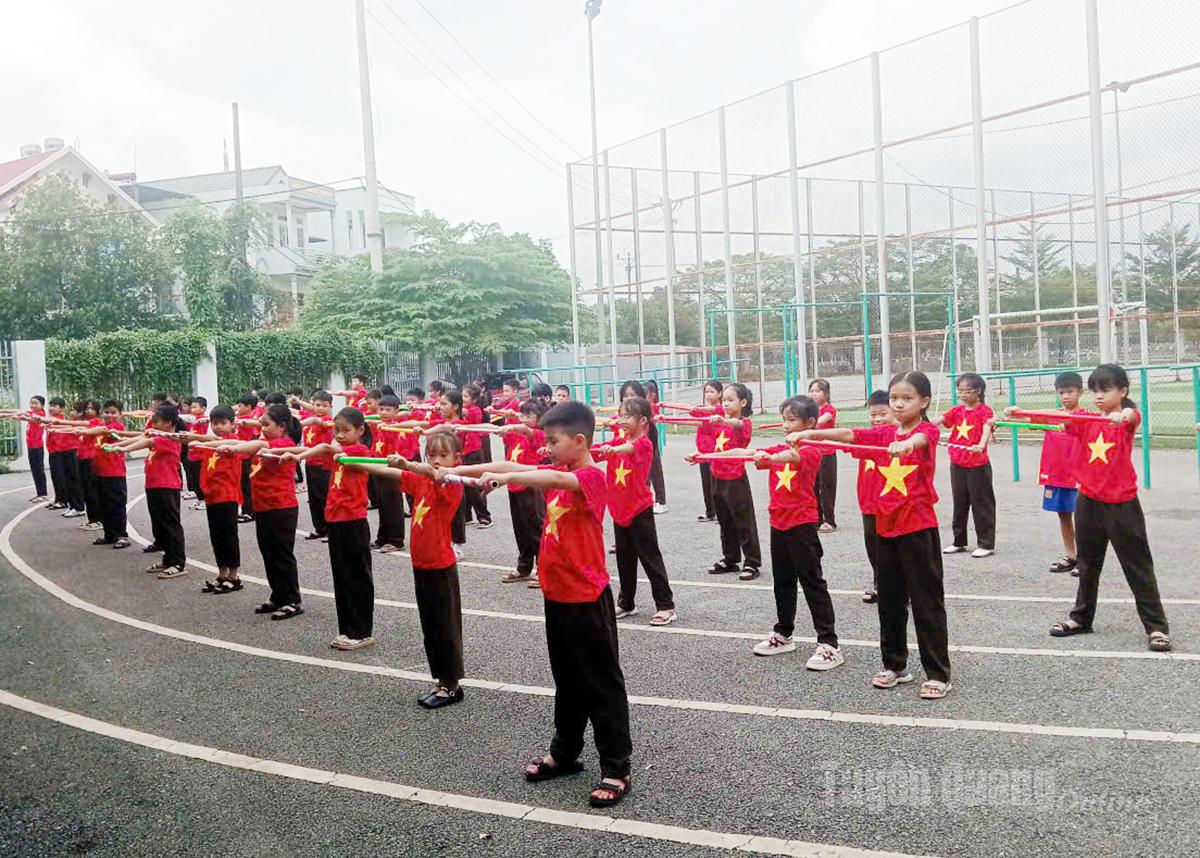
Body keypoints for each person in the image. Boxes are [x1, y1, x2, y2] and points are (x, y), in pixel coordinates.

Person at [449, 401, 633, 809]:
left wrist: (510, 477)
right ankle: (565, 753)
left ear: (579, 440)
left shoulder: (589, 477)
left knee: (601, 684)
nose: (546, 447)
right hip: (558, 595)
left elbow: (543, 475)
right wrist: (458, 472)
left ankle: (616, 767)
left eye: (553, 440)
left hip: (587, 598)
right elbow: (505, 468)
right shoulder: (561, 470)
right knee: (566, 680)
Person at [793, 371, 951, 700]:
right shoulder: (882, 434)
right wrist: (813, 433)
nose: (899, 404)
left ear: (923, 402)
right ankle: (895, 666)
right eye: (895, 398)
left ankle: (938, 672)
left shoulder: (926, 431)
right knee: (890, 600)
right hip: (885, 527)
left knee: (926, 602)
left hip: (918, 528)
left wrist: (905, 444)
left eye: (907, 398)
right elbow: (851, 433)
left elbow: (920, 441)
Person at [1007, 364, 1171, 652]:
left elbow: (1132, 416)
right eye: (1095, 390)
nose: (1098, 396)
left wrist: (1123, 414)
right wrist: (1020, 413)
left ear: (1123, 391)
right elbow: (1059, 417)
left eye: (1105, 390)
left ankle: (1156, 627)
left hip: (1122, 504)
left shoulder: (1125, 419)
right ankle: (1081, 618)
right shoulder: (1086, 419)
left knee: (1138, 566)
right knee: (1087, 565)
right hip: (1089, 502)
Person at [348, 433, 467, 708]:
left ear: (456, 460)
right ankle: (440, 680)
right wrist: (356, 463)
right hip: (421, 565)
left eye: (443, 456)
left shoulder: (451, 483)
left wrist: (409, 464)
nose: (436, 461)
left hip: (440, 566)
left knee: (445, 626)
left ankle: (452, 685)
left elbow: (429, 473)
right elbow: (388, 471)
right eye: (431, 455)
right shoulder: (422, 481)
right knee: (430, 627)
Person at [724, 395, 842, 669]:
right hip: (779, 523)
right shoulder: (782, 445)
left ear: (810, 422)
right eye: (784, 419)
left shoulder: (812, 448)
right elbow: (743, 453)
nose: (786, 425)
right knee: (783, 581)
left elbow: (791, 456)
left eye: (792, 420)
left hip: (801, 524)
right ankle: (784, 633)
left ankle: (829, 643)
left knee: (812, 582)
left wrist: (770, 458)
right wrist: (708, 456)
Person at [199, 403, 303, 620]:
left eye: (267, 424)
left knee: (282, 555)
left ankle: (292, 600)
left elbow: (249, 445)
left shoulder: (284, 444)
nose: (262, 428)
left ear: (282, 426)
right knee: (268, 553)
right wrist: (214, 443)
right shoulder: (265, 442)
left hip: (281, 508)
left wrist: (233, 449)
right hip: (263, 507)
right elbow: (241, 442)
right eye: (261, 424)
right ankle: (278, 596)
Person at [287, 407, 375, 649]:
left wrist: (302, 457)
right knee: (342, 576)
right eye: (337, 431)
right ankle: (347, 629)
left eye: (346, 430)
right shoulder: (339, 451)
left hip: (353, 521)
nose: (340, 435)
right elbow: (320, 449)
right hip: (335, 521)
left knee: (357, 576)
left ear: (360, 430)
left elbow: (332, 451)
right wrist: (294, 455)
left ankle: (362, 630)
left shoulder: (360, 451)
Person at [594, 396, 676, 625]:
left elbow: (626, 449)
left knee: (650, 557)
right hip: (618, 509)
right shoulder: (619, 438)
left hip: (639, 510)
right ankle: (626, 602)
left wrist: (612, 448)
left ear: (643, 421)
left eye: (627, 416)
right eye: (620, 415)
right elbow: (601, 450)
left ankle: (666, 605)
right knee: (624, 558)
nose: (621, 420)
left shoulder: (643, 443)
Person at [687, 383, 760, 581]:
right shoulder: (718, 422)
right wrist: (700, 457)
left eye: (730, 400)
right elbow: (703, 429)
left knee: (744, 522)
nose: (726, 404)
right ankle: (731, 558)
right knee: (725, 521)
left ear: (743, 402)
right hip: (717, 477)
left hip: (735, 479)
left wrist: (724, 420)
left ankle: (752, 562)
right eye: (724, 400)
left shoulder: (744, 423)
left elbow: (736, 425)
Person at [108, 404, 189, 579]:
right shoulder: (158, 434)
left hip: (167, 486)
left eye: (156, 421)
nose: (152, 424)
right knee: (160, 525)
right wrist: (120, 444)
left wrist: (123, 449)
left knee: (171, 525)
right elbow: (141, 438)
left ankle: (178, 563)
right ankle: (168, 559)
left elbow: (145, 441)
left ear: (168, 423)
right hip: (153, 485)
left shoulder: (170, 439)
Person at [483, 399, 547, 586]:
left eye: (530, 416)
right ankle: (524, 567)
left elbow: (526, 430)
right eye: (523, 415)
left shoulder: (539, 434)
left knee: (536, 529)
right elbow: (496, 428)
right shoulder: (516, 434)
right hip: (514, 486)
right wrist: (501, 423)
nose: (525, 419)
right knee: (521, 529)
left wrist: (515, 425)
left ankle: (544, 570)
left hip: (531, 486)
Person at [185, 406, 244, 593]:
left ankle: (234, 576)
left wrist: (200, 439)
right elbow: (193, 454)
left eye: (223, 423)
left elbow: (228, 445)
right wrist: (190, 440)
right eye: (214, 423)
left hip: (227, 496)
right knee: (216, 536)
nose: (218, 427)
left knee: (229, 536)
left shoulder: (233, 443)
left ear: (232, 424)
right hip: (211, 497)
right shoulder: (208, 445)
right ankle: (222, 573)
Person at [939, 373, 996, 558]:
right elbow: (940, 420)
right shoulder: (957, 410)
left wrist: (981, 444)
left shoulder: (984, 411)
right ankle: (959, 541)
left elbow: (987, 427)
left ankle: (986, 544)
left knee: (981, 503)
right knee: (959, 502)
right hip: (957, 462)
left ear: (978, 391)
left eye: (968, 391)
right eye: (960, 391)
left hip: (977, 464)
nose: (963, 395)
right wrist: (921, 426)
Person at [1035, 371, 1086, 575]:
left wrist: (1054, 416)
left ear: (1080, 393)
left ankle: (1085, 558)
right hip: (1056, 476)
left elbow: (1071, 421)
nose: (1065, 397)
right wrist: (1014, 412)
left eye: (1070, 392)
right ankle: (1071, 556)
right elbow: (1032, 419)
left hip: (1078, 478)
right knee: (1064, 516)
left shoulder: (1083, 416)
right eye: (1061, 392)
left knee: (1083, 518)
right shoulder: (1052, 416)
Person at [854, 391, 894, 603]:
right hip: (868, 502)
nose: (877, 419)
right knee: (873, 544)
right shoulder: (869, 435)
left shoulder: (897, 437)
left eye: (882, 414)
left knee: (892, 545)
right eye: (873, 415)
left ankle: (900, 587)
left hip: (890, 503)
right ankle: (879, 583)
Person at [79, 400, 133, 549]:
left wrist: (84, 431)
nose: (109, 415)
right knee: (103, 505)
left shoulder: (117, 427)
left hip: (114, 472)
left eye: (113, 412)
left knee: (116, 504)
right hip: (99, 471)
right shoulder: (100, 426)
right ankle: (109, 534)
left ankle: (122, 535)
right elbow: (88, 427)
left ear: (120, 414)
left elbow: (101, 431)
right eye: (107, 412)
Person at [371, 393, 408, 553]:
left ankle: (396, 540)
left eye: (388, 409)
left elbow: (400, 450)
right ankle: (382, 538)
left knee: (393, 505)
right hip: (379, 470)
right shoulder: (381, 425)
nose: (384, 412)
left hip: (391, 471)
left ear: (396, 411)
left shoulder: (396, 427)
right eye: (381, 409)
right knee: (382, 505)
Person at [295, 390, 335, 542]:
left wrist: (299, 423)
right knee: (314, 498)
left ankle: (330, 530)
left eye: (324, 406)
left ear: (330, 406)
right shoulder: (309, 416)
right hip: (310, 463)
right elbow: (300, 415)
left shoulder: (327, 421)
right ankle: (320, 528)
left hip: (324, 465)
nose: (320, 408)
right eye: (317, 405)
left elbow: (316, 421)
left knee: (325, 498)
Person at [44, 397, 85, 517]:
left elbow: (64, 429)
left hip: (68, 451)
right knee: (61, 477)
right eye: (50, 405)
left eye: (74, 410)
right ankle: (68, 502)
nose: (71, 413)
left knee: (73, 480)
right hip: (58, 451)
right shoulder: (68, 420)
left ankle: (75, 505)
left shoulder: (70, 421)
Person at [808, 379, 838, 533]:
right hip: (812, 454)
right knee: (813, 486)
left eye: (817, 391)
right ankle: (817, 519)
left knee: (826, 487)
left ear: (826, 394)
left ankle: (829, 521)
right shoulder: (810, 411)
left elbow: (821, 421)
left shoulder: (829, 409)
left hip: (827, 453)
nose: (813, 394)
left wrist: (808, 425)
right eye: (811, 391)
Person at [691, 381, 722, 522]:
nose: (708, 395)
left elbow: (711, 411)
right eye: (706, 392)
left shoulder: (721, 410)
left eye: (712, 392)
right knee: (706, 482)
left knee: (716, 483)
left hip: (716, 452)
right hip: (703, 452)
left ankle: (720, 513)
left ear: (720, 393)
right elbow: (692, 418)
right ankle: (710, 511)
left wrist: (698, 409)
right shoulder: (703, 410)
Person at [233, 394, 261, 522]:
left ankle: (249, 511)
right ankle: (245, 509)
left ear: (249, 407)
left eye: (240, 406)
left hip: (246, 456)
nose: (237, 407)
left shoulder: (248, 420)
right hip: (240, 455)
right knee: (242, 485)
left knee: (246, 485)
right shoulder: (240, 418)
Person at [643, 379, 668, 515]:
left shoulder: (652, 406)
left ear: (651, 396)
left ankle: (661, 501)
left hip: (650, 434)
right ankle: (648, 499)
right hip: (643, 435)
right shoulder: (645, 406)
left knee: (654, 467)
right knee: (645, 470)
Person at [182, 396, 209, 510]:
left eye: (195, 407)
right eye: (191, 407)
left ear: (203, 408)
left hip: (199, 455)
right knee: (194, 479)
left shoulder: (202, 420)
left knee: (200, 479)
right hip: (191, 455)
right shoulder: (193, 420)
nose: (192, 409)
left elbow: (206, 422)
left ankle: (204, 499)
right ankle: (199, 499)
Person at [23, 396, 49, 502]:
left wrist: (20, 416)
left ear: (42, 406)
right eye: (32, 403)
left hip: (37, 447)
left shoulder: (40, 415)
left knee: (38, 470)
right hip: (31, 446)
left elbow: (26, 417)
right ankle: (39, 493)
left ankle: (43, 494)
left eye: (36, 403)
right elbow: (21, 412)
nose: (33, 405)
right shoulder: (32, 413)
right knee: (35, 470)